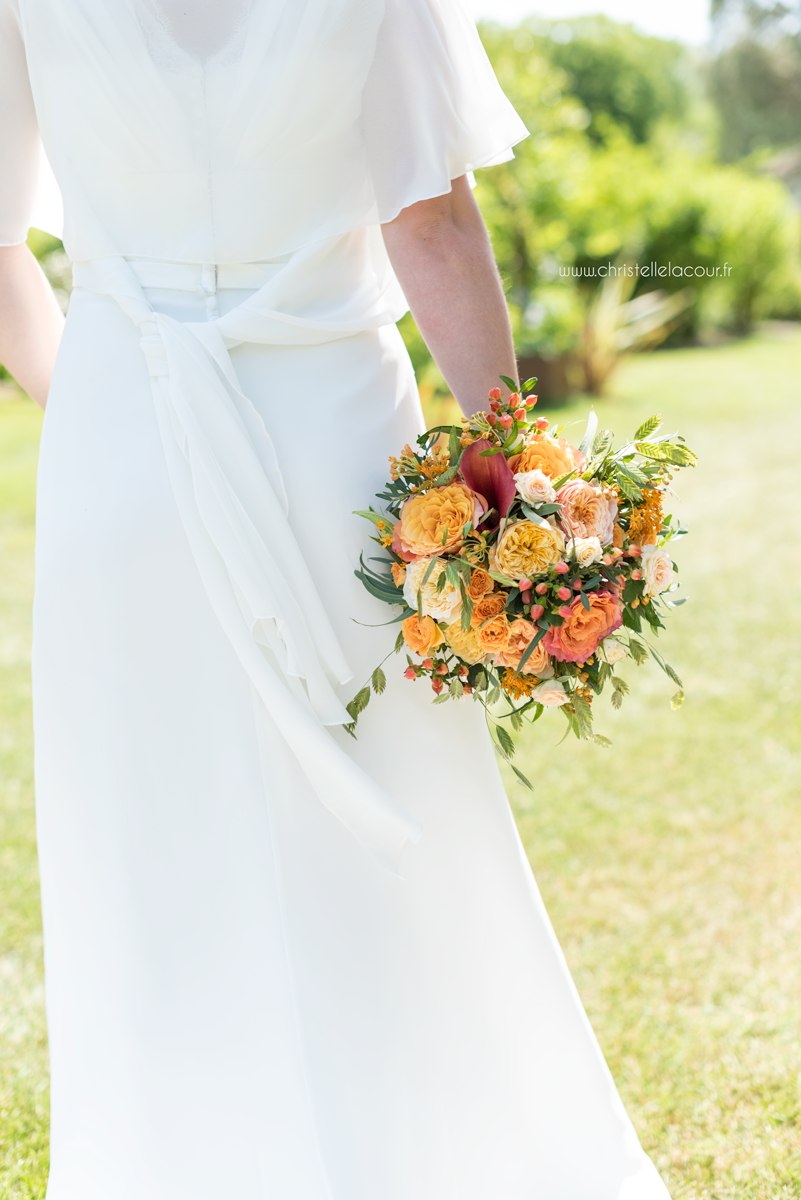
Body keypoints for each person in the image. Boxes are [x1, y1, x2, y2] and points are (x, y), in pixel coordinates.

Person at [0, 1, 671, 1196]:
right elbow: (431, 219)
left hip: (121, 450)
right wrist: (515, 472)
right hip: (332, 438)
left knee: (154, 826)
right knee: (399, 801)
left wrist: (109, 398)